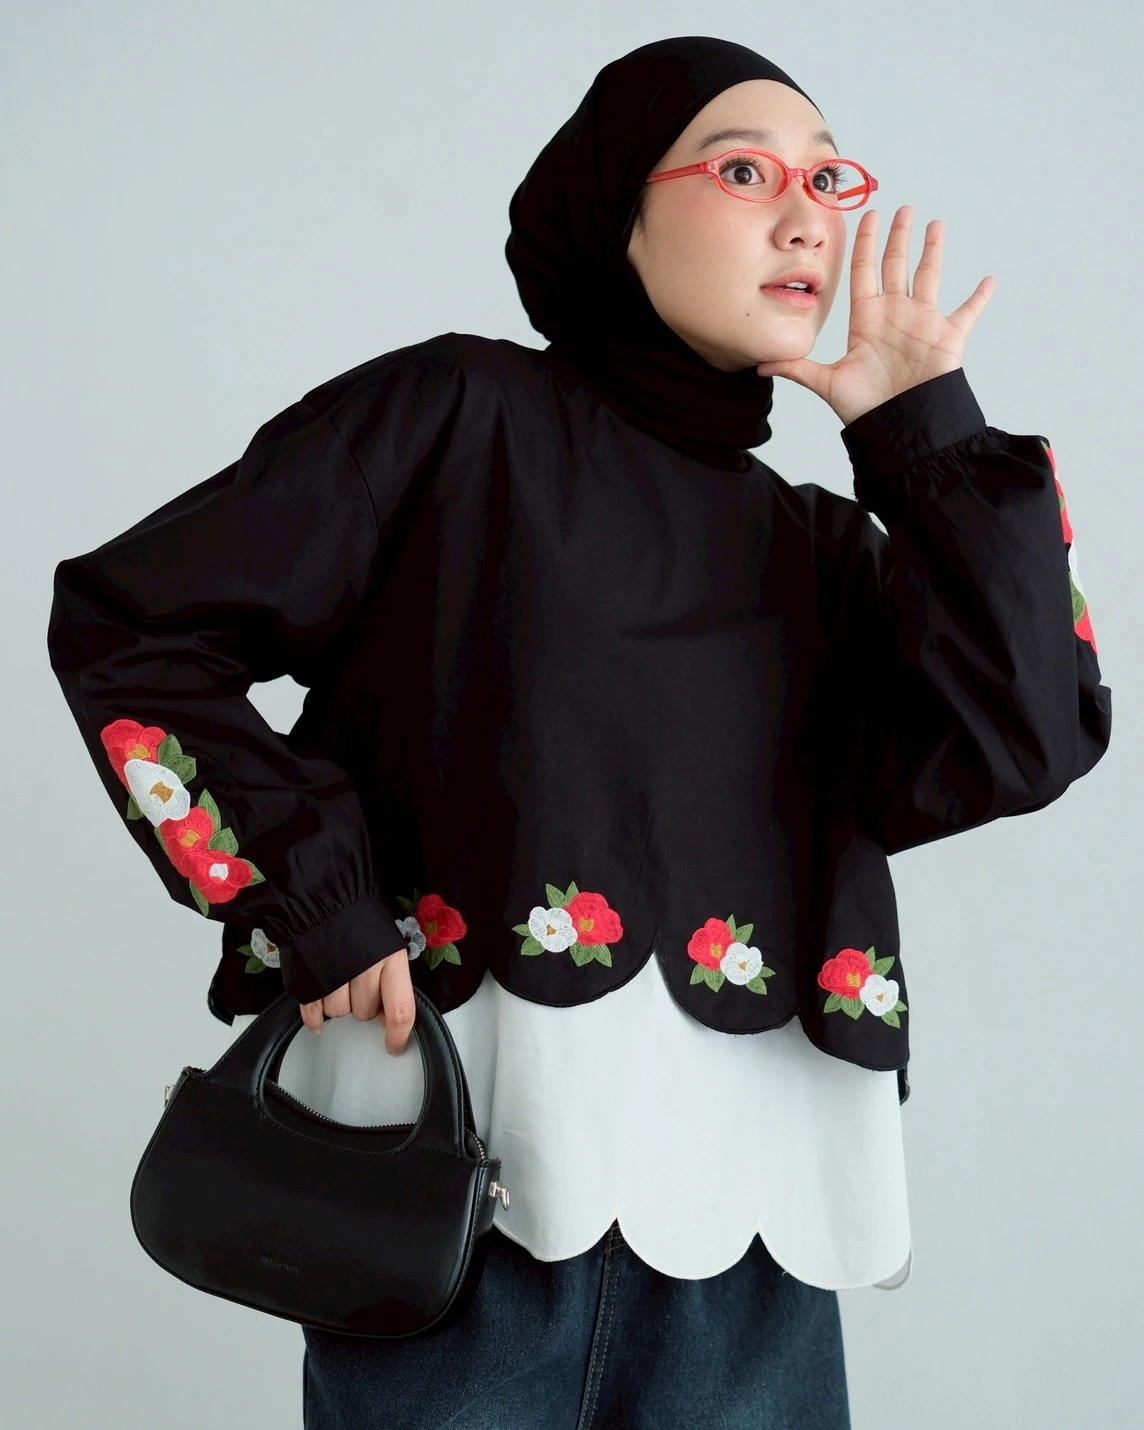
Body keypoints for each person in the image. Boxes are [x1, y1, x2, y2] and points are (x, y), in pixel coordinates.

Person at [46, 34, 1111, 1430]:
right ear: (619, 207)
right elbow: (132, 623)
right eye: (746, 171)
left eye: (827, 178)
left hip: (757, 1239)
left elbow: (1035, 730)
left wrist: (924, 438)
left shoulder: (826, 552)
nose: (807, 216)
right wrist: (315, 896)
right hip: (449, 1213)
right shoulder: (458, 418)